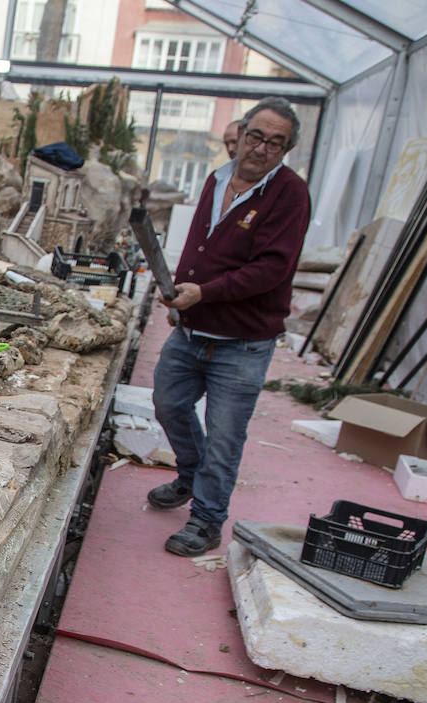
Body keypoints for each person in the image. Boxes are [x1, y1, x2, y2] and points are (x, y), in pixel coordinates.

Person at [148, 97, 311, 557]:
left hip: (244, 341)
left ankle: (206, 519)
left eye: (276, 143)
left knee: (225, 436)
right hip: (193, 329)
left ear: (285, 150)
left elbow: (271, 270)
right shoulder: (216, 178)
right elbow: (199, 249)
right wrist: (180, 296)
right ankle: (189, 474)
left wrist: (205, 294)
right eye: (256, 136)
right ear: (239, 134)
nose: (261, 148)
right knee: (168, 403)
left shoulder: (290, 194)